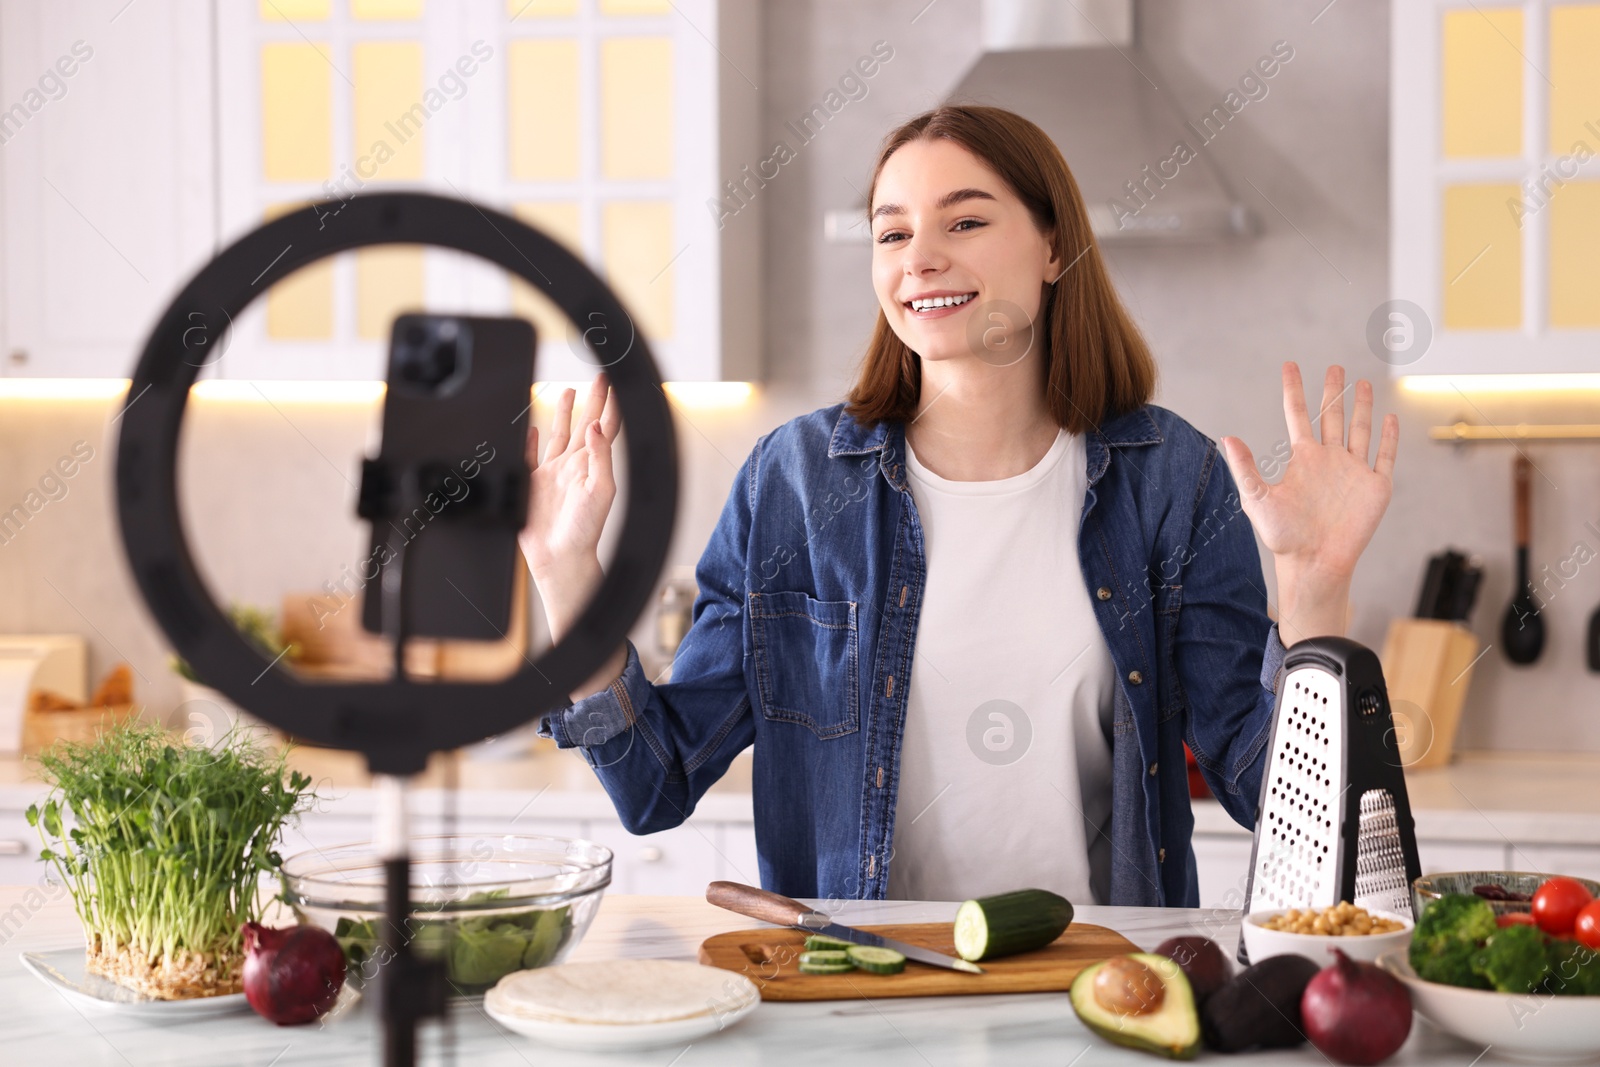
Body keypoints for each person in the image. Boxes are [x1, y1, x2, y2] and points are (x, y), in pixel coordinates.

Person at [518, 105, 1398, 908]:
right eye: (891, 232)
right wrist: (567, 576)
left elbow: (1266, 795)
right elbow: (655, 785)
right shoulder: (794, 483)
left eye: (965, 222)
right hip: (855, 994)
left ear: (1056, 248)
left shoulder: (1170, 478)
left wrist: (1314, 597)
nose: (919, 258)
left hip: (1102, 989)